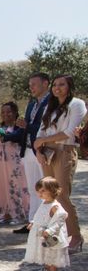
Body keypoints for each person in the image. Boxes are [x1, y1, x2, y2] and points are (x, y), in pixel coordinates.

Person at [34, 75, 86, 253]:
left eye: (61, 84)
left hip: (64, 151)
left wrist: (43, 140)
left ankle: (76, 236)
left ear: (69, 86)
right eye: (55, 85)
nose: (57, 88)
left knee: (62, 194)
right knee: (49, 194)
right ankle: (56, 234)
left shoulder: (77, 104)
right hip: (47, 152)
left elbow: (69, 132)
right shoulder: (51, 107)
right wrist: (39, 147)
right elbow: (41, 130)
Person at [13, 72, 50, 234]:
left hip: (42, 150)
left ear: (45, 84)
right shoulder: (31, 104)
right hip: (28, 150)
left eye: (34, 84)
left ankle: (46, 224)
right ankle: (32, 222)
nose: (31, 88)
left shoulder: (51, 103)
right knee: (33, 188)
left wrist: (27, 125)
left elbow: (46, 128)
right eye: (30, 85)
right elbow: (26, 128)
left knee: (46, 188)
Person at [0, 102, 29, 224]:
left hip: (13, 162)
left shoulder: (18, 127)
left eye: (9, 112)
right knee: (0, 185)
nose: (5, 114)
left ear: (15, 113)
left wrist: (2, 134)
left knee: (14, 185)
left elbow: (17, 137)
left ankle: (17, 212)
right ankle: (4, 212)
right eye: (3, 112)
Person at [24, 177, 69, 271]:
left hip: (51, 236)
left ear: (53, 190)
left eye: (43, 191)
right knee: (45, 253)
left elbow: (60, 219)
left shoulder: (55, 206)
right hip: (42, 235)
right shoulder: (44, 203)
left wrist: (50, 230)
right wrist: (34, 223)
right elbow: (41, 216)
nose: (40, 194)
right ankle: (46, 270)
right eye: (38, 191)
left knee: (52, 254)